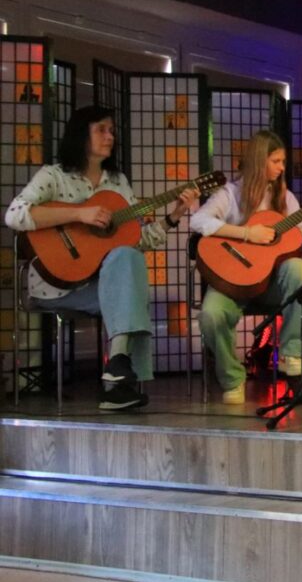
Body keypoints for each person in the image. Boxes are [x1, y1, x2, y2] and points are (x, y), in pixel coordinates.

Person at [5, 105, 197, 410]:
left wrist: (174, 216)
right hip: (54, 286)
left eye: (111, 130)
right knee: (132, 293)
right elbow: (14, 215)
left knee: (128, 259)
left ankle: (117, 365)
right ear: (81, 134)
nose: (110, 136)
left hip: (99, 284)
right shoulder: (54, 176)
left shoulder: (118, 182)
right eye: (101, 130)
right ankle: (117, 385)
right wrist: (79, 214)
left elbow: (136, 241)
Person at [190, 130, 302, 404]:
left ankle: (291, 354)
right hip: (231, 283)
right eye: (276, 161)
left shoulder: (285, 197)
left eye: (283, 162)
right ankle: (232, 378)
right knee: (210, 315)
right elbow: (198, 221)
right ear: (260, 161)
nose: (282, 168)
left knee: (299, 269)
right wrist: (247, 234)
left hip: (269, 285)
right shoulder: (230, 193)